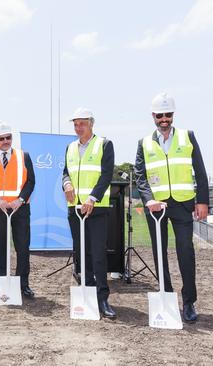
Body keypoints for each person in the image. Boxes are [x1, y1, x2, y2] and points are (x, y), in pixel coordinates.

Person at [133, 92, 208, 323]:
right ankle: (165, 294)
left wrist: (203, 200)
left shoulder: (188, 137)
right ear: (153, 116)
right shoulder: (143, 143)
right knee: (159, 251)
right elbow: (140, 175)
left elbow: (200, 170)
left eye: (168, 114)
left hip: (183, 204)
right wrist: (148, 200)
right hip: (156, 206)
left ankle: (189, 302)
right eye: (159, 115)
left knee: (186, 250)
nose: (164, 119)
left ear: (172, 115)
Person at [62, 107, 116, 318]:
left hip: (97, 209)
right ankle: (87, 292)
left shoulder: (104, 144)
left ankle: (103, 299)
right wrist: (66, 184)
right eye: (75, 124)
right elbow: (65, 171)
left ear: (91, 124)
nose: (78, 128)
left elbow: (106, 175)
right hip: (75, 209)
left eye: (82, 123)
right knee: (80, 253)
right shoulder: (70, 147)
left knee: (98, 254)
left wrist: (92, 199)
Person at [0, 122, 36, 298]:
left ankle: (23, 285)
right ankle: (2, 284)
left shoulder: (23, 156)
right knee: (1, 249)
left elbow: (31, 182)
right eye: (1, 138)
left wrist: (20, 200)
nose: (6, 141)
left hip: (20, 209)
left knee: (23, 248)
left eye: (8, 138)